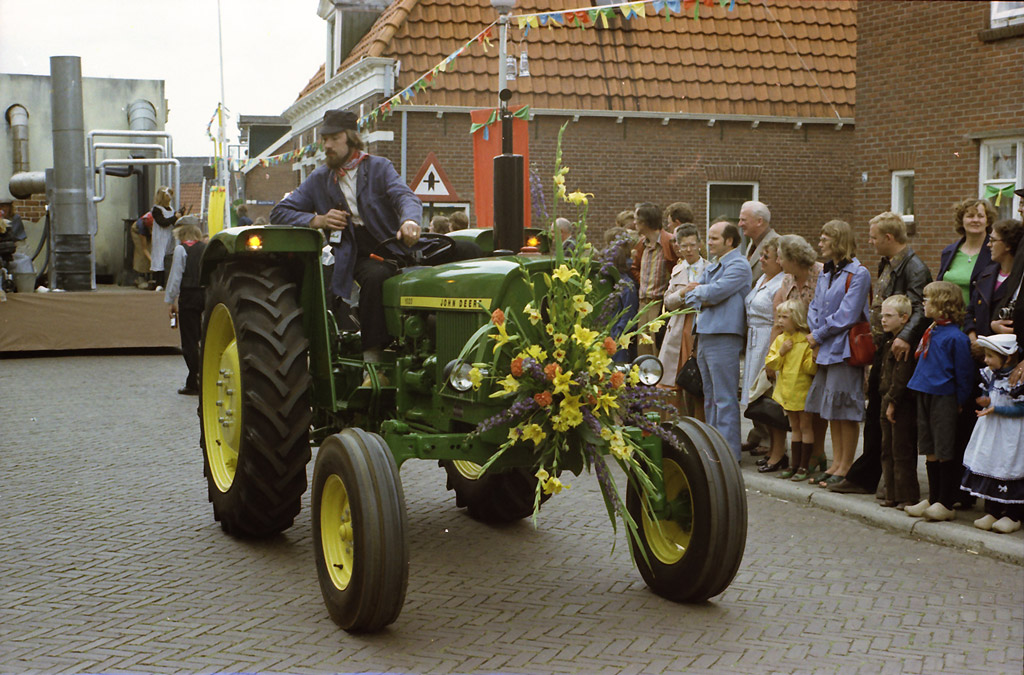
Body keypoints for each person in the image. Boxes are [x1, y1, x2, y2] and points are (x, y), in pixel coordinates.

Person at [271, 109, 479, 366]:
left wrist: (410, 221)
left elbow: (405, 196)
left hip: (398, 243)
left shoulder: (379, 168)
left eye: (333, 138)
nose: (327, 145)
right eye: (324, 139)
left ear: (350, 138)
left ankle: (477, 340)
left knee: (470, 250)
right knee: (376, 277)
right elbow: (279, 212)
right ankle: (373, 364)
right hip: (356, 253)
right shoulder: (318, 179)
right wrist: (317, 220)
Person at [830, 211, 931, 496]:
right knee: (875, 412)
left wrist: (906, 337)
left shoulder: (914, 268)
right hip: (882, 349)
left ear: (889, 237)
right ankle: (868, 475)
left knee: (888, 414)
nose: (870, 242)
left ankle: (888, 481)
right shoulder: (887, 264)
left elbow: (920, 307)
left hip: (896, 350)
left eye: (874, 237)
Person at [805, 220, 872, 488]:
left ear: (838, 241)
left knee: (845, 408)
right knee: (831, 408)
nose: (820, 243)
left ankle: (846, 465)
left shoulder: (859, 274)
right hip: (824, 348)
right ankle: (835, 462)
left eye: (824, 239)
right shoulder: (825, 272)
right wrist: (816, 333)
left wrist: (819, 335)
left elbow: (848, 314)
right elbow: (814, 306)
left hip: (845, 349)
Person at [904, 281, 976, 522]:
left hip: (944, 395)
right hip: (924, 392)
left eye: (928, 299)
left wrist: (960, 400)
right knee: (929, 447)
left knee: (945, 448)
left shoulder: (956, 338)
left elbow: (964, 374)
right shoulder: (931, 331)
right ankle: (933, 498)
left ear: (943, 304)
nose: (923, 303)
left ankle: (946, 501)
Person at [684, 220, 752, 460]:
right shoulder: (715, 265)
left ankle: (729, 454)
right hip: (705, 335)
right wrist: (702, 294)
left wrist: (700, 291)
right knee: (710, 396)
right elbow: (692, 299)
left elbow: (713, 292)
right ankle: (715, 449)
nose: (708, 243)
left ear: (729, 241)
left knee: (724, 397)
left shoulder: (739, 266)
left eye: (714, 238)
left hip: (724, 336)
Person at [767, 234, 827, 474]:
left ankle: (817, 453)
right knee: (796, 411)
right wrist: (772, 356)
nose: (779, 262)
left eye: (782, 257)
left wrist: (817, 345)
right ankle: (803, 459)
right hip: (791, 352)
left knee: (816, 408)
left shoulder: (821, 274)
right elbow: (777, 320)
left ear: (793, 258)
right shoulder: (786, 281)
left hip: (816, 347)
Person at [960, 333, 1024, 534]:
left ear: (1008, 357)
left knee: (1008, 466)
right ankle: (993, 510)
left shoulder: (1018, 379)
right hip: (991, 429)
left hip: (1011, 432)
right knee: (990, 462)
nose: (986, 360)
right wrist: (986, 401)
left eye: (990, 356)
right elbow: (987, 394)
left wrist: (997, 409)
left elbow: (1021, 408)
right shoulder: (989, 374)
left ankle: (1013, 515)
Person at [738, 200, 780, 454]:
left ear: (759, 221)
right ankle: (758, 431)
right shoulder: (753, 245)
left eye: (744, 219)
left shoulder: (774, 243)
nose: (740, 223)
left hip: (766, 327)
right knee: (753, 381)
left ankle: (768, 437)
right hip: (753, 325)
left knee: (764, 383)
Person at [742, 238, 786, 466]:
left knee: (769, 395)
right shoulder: (762, 278)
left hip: (768, 338)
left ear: (780, 260)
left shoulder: (781, 283)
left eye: (766, 257)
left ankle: (777, 448)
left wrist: (772, 352)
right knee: (757, 394)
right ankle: (768, 444)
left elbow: (778, 319)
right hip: (754, 339)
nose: (761, 260)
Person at [764, 299, 818, 480]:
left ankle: (804, 465)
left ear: (796, 318)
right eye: (779, 317)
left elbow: (810, 368)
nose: (780, 321)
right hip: (787, 390)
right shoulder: (780, 340)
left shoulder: (805, 341)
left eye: (785, 317)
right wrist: (781, 352)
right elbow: (771, 363)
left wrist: (814, 357)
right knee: (794, 426)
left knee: (805, 426)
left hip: (802, 390)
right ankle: (794, 464)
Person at [658, 223, 707, 418]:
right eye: (684, 245)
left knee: (698, 380)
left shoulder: (710, 269)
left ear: (699, 245)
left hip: (699, 327)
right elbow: (668, 302)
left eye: (692, 245)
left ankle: (700, 425)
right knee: (674, 379)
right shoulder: (677, 271)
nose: (688, 250)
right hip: (678, 328)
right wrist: (682, 292)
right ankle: (677, 423)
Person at [876, 295, 920, 509]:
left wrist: (892, 401)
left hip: (900, 402)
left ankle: (907, 495)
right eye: (882, 315)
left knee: (901, 449)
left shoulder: (903, 344)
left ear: (904, 318)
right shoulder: (889, 340)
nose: (883, 320)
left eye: (889, 316)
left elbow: (902, 376)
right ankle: (891, 493)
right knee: (887, 448)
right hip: (887, 398)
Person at [164, 216, 206, 395]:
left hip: (188, 297)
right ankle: (205, 375)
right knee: (203, 337)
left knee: (189, 340)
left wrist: (171, 301)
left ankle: (194, 378)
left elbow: (175, 278)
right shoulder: (206, 248)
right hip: (205, 296)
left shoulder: (181, 250)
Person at [631, 202, 678, 356]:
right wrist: (644, 285)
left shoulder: (670, 242)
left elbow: (678, 268)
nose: (634, 223)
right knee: (643, 350)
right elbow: (635, 268)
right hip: (643, 303)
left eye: (637, 219)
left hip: (660, 305)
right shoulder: (642, 244)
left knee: (659, 349)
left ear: (645, 222)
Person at [967, 219, 1022, 340]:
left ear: (1008, 245)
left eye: (993, 240)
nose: (988, 244)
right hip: (978, 350)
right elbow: (970, 311)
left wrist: (990, 331)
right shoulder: (985, 274)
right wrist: (973, 339)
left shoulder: (1019, 282)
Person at [937, 198, 996, 306]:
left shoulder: (995, 252)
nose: (975, 220)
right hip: (950, 320)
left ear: (987, 221)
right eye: (970, 216)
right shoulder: (948, 253)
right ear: (961, 221)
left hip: (979, 320)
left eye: (980, 216)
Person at [150, 186, 185, 290]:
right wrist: (175, 217)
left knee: (169, 256)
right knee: (159, 258)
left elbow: (172, 222)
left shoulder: (171, 209)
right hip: (160, 237)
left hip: (170, 236)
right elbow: (163, 222)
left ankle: (168, 281)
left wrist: (179, 217)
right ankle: (159, 283)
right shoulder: (156, 210)